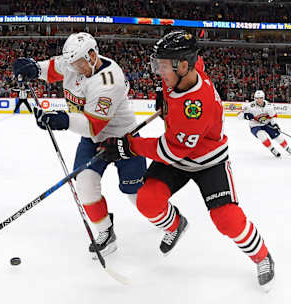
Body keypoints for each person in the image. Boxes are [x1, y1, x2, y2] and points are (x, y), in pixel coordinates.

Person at [98, 30, 275, 290]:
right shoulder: (188, 71)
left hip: (208, 161)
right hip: (179, 152)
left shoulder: (196, 106)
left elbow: (171, 151)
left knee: (226, 218)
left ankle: (262, 256)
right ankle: (176, 224)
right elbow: (194, 60)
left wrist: (130, 146)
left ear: (183, 65)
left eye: (163, 66)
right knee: (147, 201)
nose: (158, 71)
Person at [12, 32, 146, 259]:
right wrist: (32, 68)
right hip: (92, 140)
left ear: (93, 55)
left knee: (136, 196)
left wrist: (62, 120)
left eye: (78, 63)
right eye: (71, 63)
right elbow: (52, 68)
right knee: (84, 184)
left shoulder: (108, 81)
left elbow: (94, 126)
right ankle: (105, 232)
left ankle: (168, 219)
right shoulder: (74, 62)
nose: (73, 67)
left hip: (123, 138)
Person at [242, 90, 291, 157]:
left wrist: (275, 125)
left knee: (278, 137)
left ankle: (287, 148)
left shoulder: (269, 106)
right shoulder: (250, 106)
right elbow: (239, 115)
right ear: (254, 98)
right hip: (255, 125)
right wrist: (245, 116)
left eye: (261, 98)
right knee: (262, 135)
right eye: (257, 98)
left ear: (263, 98)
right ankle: (272, 149)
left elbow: (273, 116)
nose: (259, 100)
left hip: (267, 124)